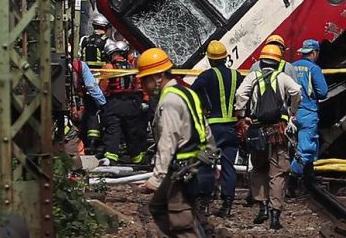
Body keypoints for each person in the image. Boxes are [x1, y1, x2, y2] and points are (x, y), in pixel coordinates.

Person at [138, 47, 217, 238]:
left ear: (158, 77)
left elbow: (168, 142)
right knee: (159, 206)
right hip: (196, 163)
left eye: (145, 79)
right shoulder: (186, 93)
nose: (142, 84)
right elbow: (205, 129)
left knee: (181, 221)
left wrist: (156, 179)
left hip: (183, 168)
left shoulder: (170, 101)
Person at [235, 44, 301, 230]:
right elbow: (296, 91)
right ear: (278, 61)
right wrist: (292, 111)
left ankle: (262, 207)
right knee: (278, 171)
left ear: (261, 61)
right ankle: (275, 214)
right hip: (277, 129)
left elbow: (240, 94)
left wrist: (241, 115)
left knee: (258, 168)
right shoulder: (282, 77)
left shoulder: (253, 77)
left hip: (257, 130)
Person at [191, 40, 244, 218]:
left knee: (206, 164)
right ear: (225, 57)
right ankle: (227, 204)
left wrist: (203, 105)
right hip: (232, 128)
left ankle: (204, 202)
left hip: (214, 127)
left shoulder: (206, 76)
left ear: (210, 59)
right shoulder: (237, 75)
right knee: (229, 166)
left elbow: (192, 92)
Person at [99, 41, 147, 165]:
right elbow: (137, 85)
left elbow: (103, 86)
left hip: (114, 102)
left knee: (113, 130)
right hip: (130, 103)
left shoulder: (109, 67)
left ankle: (111, 157)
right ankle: (137, 157)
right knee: (131, 131)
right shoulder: (131, 67)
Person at [290, 39, 328, 179]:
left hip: (291, 113)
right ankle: (292, 179)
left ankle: (307, 176)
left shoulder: (291, 67)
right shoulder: (314, 69)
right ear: (314, 52)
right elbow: (323, 92)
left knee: (293, 147)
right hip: (307, 113)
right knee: (307, 148)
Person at [71, 57, 107, 154]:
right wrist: (102, 103)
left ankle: (83, 142)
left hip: (69, 98)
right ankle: (91, 143)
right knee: (92, 115)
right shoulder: (80, 65)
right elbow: (92, 86)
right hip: (82, 96)